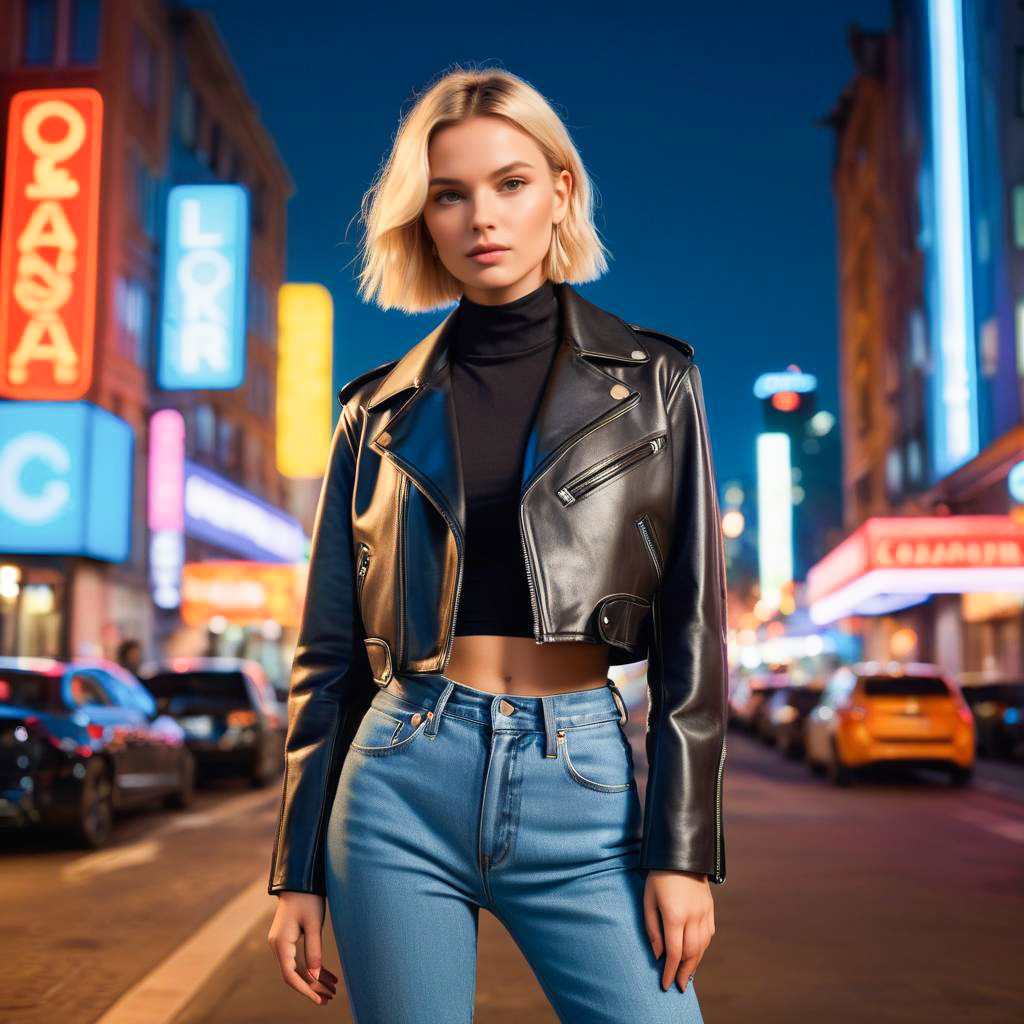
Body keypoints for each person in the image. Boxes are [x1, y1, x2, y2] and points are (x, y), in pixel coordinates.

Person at [267, 66, 728, 1023]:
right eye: (451, 193)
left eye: (511, 183)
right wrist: (296, 870)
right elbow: (327, 657)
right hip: (400, 778)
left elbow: (696, 637)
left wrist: (683, 850)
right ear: (424, 218)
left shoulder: (655, 383)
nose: (483, 216)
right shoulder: (374, 409)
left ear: (561, 191)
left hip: (584, 779)